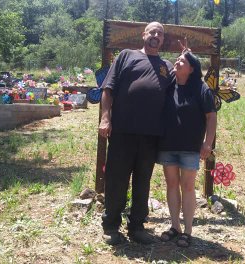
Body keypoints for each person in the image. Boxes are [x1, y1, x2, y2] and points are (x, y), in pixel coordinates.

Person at [98, 22, 174, 245]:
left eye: (160, 33)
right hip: (123, 131)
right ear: (144, 35)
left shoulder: (166, 66)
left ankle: (137, 227)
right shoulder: (126, 56)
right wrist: (105, 117)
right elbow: (108, 89)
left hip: (151, 136)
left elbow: (180, 90)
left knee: (143, 182)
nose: (156, 36)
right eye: (152, 32)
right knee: (116, 180)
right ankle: (111, 225)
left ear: (162, 40)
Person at [157, 51, 217, 247]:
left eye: (182, 61)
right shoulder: (168, 86)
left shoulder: (201, 89)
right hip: (168, 145)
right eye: (178, 60)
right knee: (172, 185)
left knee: (188, 186)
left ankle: (188, 231)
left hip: (190, 148)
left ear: (192, 69)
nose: (177, 62)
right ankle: (175, 226)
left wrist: (208, 143)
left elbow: (211, 117)